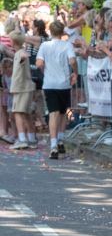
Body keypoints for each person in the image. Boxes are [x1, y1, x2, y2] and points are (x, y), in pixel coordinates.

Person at [35, 21, 77, 159]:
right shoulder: (67, 45)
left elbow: (39, 63)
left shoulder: (44, 45)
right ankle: (60, 140)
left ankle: (53, 146)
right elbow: (72, 61)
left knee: (53, 113)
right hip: (63, 83)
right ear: (62, 32)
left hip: (49, 83)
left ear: (51, 31)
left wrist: (45, 71)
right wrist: (75, 72)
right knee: (63, 112)